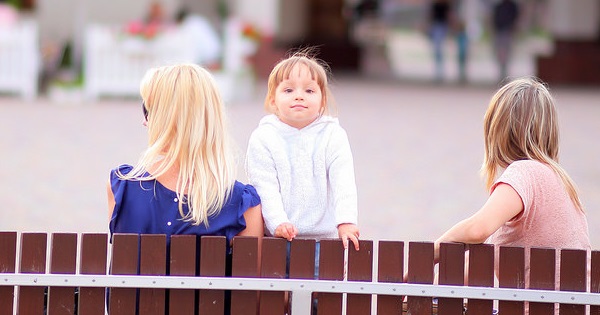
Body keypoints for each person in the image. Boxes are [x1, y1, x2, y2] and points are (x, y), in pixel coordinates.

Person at [434, 77, 591, 289]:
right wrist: (419, 282)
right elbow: (479, 261)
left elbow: (478, 230)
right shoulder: (561, 182)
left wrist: (432, 251)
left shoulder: (524, 172)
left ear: (497, 130)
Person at [107, 63, 263, 247]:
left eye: (147, 111)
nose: (144, 121)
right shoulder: (242, 206)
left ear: (169, 119)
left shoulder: (122, 189)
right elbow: (250, 274)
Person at [245, 50, 360, 251]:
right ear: (273, 100)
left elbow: (344, 181)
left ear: (322, 100)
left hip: (323, 240)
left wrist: (346, 221)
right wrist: (278, 222)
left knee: (321, 281)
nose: (299, 96)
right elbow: (264, 186)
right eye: (288, 90)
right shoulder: (264, 137)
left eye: (309, 91)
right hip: (277, 239)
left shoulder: (332, 135)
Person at [492, 0, 520, 82]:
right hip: (499, 31)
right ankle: (502, 70)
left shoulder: (512, 6)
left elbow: (516, 18)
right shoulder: (499, 6)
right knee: (499, 52)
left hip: (508, 31)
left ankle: (505, 71)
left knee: (507, 52)